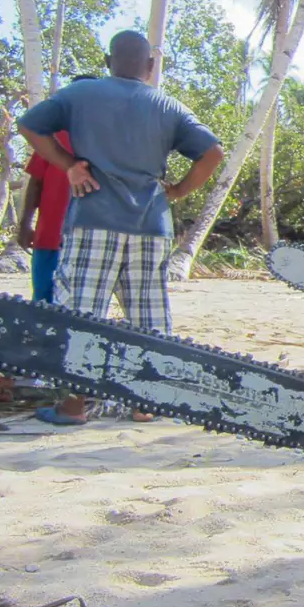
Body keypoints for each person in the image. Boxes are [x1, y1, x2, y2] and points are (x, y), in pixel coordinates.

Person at [17, 30, 224, 425]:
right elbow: (213, 153)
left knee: (81, 312)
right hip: (151, 224)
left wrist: (68, 165)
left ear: (108, 60)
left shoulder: (80, 95)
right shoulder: (168, 105)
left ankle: (74, 406)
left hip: (94, 218)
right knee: (148, 314)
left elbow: (29, 126)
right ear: (150, 66)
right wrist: (178, 189)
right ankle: (144, 403)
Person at [17, 78, 96, 301]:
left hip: (91, 242)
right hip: (49, 237)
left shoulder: (108, 139)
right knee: (43, 302)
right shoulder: (50, 137)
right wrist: (24, 224)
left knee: (83, 307)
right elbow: (36, 182)